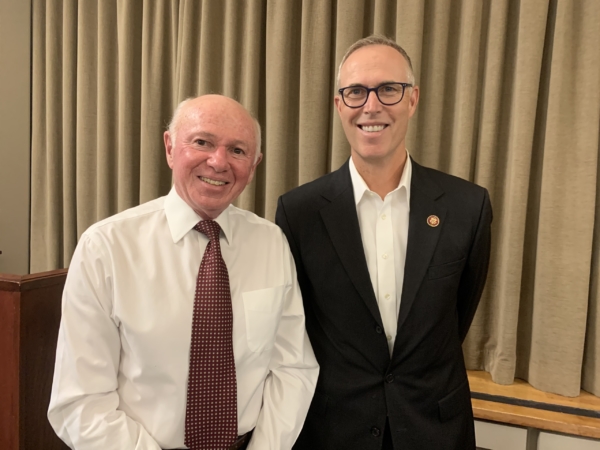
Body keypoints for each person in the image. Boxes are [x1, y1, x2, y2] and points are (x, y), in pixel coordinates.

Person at [48, 94, 319, 450]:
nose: (218, 161)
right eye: (202, 142)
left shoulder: (271, 243)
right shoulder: (107, 247)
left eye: (238, 150)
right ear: (170, 147)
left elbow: (292, 368)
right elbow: (80, 400)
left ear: (254, 166)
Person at [276, 35, 492, 450]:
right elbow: (296, 331)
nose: (370, 106)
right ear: (339, 105)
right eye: (355, 92)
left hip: (435, 428)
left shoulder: (468, 206)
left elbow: (457, 315)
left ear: (412, 99)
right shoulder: (298, 213)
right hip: (333, 430)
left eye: (388, 89)